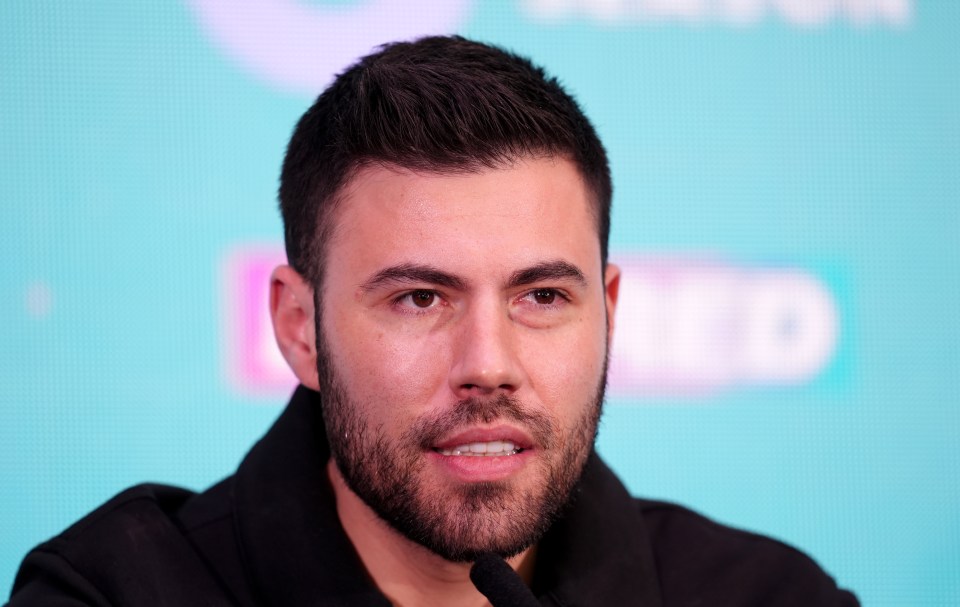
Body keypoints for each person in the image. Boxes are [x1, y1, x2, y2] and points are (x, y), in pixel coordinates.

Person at [8, 36, 858, 606]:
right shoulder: (114, 592)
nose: (488, 364)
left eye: (542, 297)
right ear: (299, 329)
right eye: (419, 298)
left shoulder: (766, 593)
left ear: (609, 313)